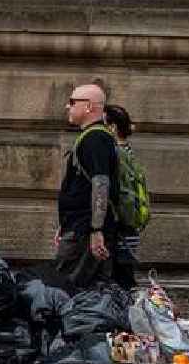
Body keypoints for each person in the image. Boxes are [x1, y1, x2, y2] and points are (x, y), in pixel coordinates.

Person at [54, 84, 119, 290]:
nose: (67, 106)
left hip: (84, 233)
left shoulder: (95, 139)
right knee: (84, 291)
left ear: (89, 106)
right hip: (79, 228)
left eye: (72, 102)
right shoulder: (93, 137)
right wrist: (64, 225)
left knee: (69, 289)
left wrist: (96, 230)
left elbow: (101, 185)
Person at [103, 104, 140, 290]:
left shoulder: (117, 154)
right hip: (130, 226)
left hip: (122, 228)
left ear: (112, 127)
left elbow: (124, 194)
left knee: (121, 279)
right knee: (124, 275)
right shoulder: (127, 151)